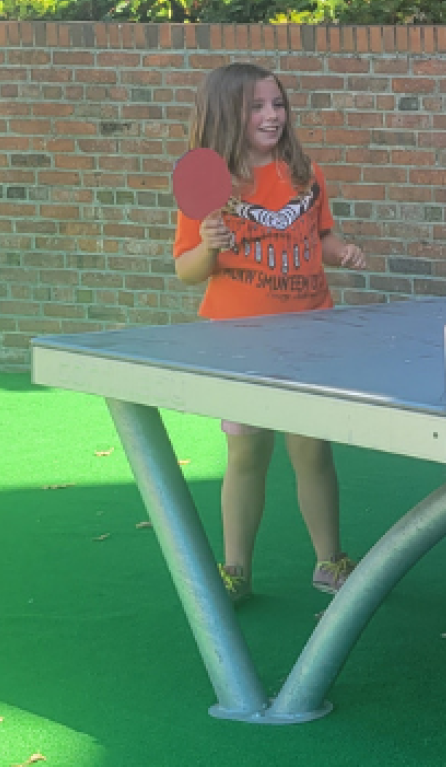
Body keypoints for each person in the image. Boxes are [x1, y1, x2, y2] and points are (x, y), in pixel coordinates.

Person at [173, 62, 369, 606]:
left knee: (312, 449)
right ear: (225, 114)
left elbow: (321, 237)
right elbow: (187, 268)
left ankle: (330, 561)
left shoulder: (305, 172)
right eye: (256, 106)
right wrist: (209, 247)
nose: (271, 115)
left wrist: (340, 252)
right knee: (246, 455)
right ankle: (235, 569)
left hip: (310, 331)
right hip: (241, 341)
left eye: (277, 104)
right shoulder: (211, 183)